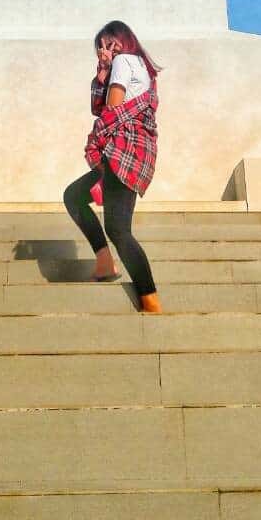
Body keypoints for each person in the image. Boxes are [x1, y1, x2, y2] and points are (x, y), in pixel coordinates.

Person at [62, 19, 162, 313]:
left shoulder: (124, 61)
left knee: (118, 229)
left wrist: (110, 69)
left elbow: (110, 109)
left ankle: (150, 298)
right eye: (101, 47)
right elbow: (103, 106)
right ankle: (106, 264)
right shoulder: (141, 66)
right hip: (134, 152)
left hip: (122, 150)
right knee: (76, 197)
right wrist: (103, 73)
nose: (105, 51)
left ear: (122, 40)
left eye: (110, 43)